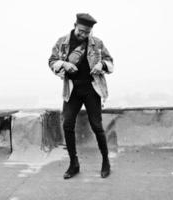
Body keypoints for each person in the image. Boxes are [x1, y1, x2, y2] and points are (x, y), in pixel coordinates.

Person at [48, 13, 114, 179]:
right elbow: (51, 61)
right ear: (75, 25)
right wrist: (64, 64)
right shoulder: (62, 43)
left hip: (92, 89)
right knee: (67, 124)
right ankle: (73, 163)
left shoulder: (97, 43)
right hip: (72, 91)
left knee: (96, 126)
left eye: (87, 32)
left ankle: (106, 161)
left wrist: (101, 64)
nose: (84, 35)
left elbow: (111, 62)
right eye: (81, 31)